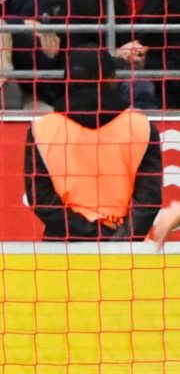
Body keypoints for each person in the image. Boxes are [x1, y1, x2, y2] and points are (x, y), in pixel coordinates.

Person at [25, 46, 163, 240]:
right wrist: (119, 239)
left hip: (63, 244)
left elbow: (41, 199)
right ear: (111, 78)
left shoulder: (41, 129)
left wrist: (91, 235)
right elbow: (149, 199)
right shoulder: (141, 126)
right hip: (126, 246)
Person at [64, 0, 180, 109]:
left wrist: (145, 63)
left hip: (163, 98)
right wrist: (112, 57)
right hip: (98, 100)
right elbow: (73, 51)